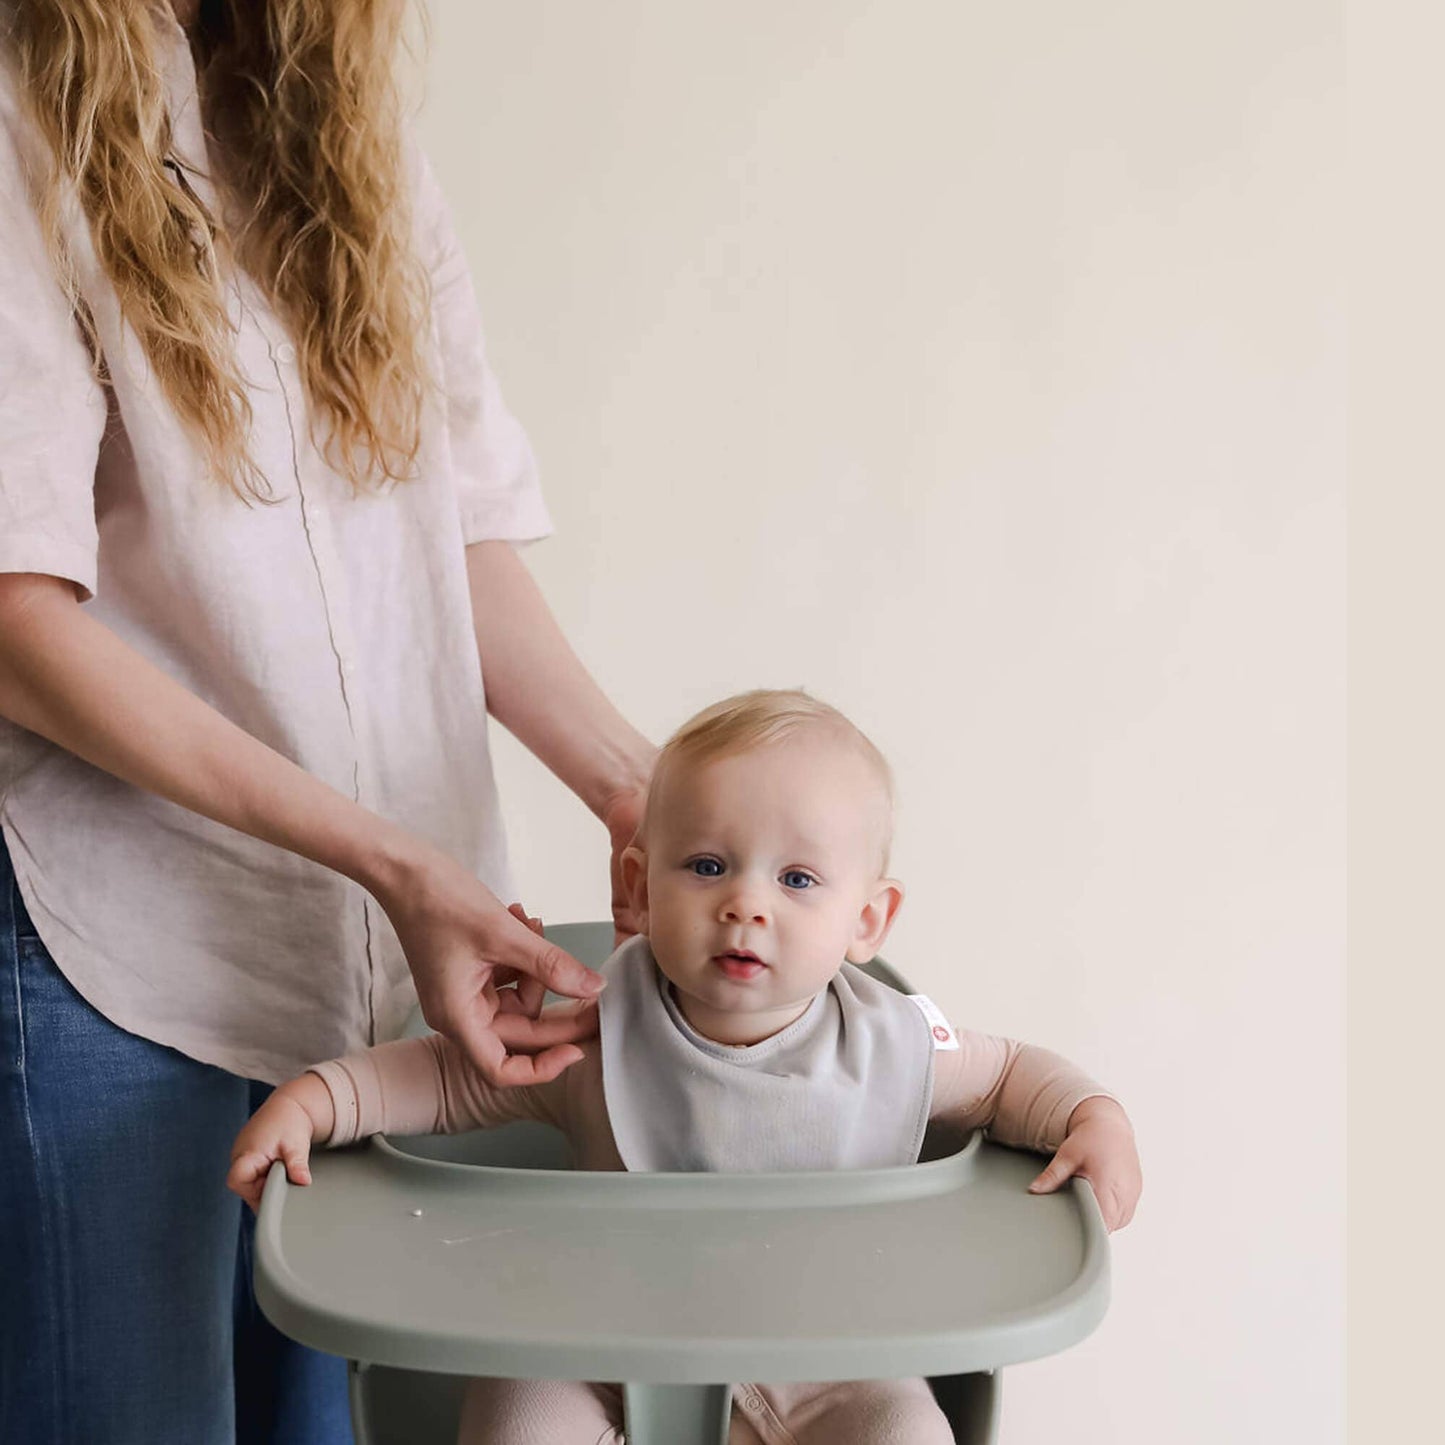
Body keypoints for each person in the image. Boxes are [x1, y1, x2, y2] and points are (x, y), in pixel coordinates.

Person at [0, 2, 654, 1441]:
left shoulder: (337, 112)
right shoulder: (17, 111)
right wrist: (398, 863)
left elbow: (453, 529)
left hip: (357, 961)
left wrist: (636, 788)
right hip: (106, 948)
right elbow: (15, 620)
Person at [231, 689, 1144, 1445]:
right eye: (707, 865)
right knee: (514, 1420)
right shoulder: (598, 1029)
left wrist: (1088, 1115)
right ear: (636, 887)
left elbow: (1006, 1076)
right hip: (600, 1349)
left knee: (907, 1433)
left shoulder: (893, 1043)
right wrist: (319, 1099)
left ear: (868, 920)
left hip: (834, 1364)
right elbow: (450, 1076)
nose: (745, 903)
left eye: (796, 879)